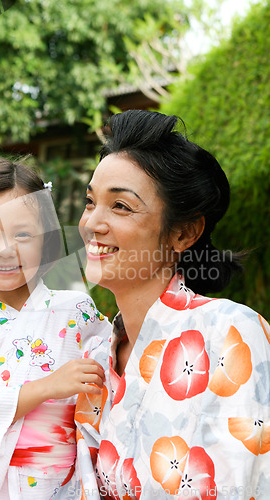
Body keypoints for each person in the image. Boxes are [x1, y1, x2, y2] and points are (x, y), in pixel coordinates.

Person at [62, 110, 270, 499]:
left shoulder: (228, 333)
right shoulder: (95, 355)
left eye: (120, 206)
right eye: (91, 202)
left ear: (184, 232)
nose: (92, 223)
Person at [0, 156, 110, 499]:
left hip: (61, 482)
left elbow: (112, 376)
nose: (5, 249)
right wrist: (46, 387)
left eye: (22, 234)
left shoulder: (76, 310)